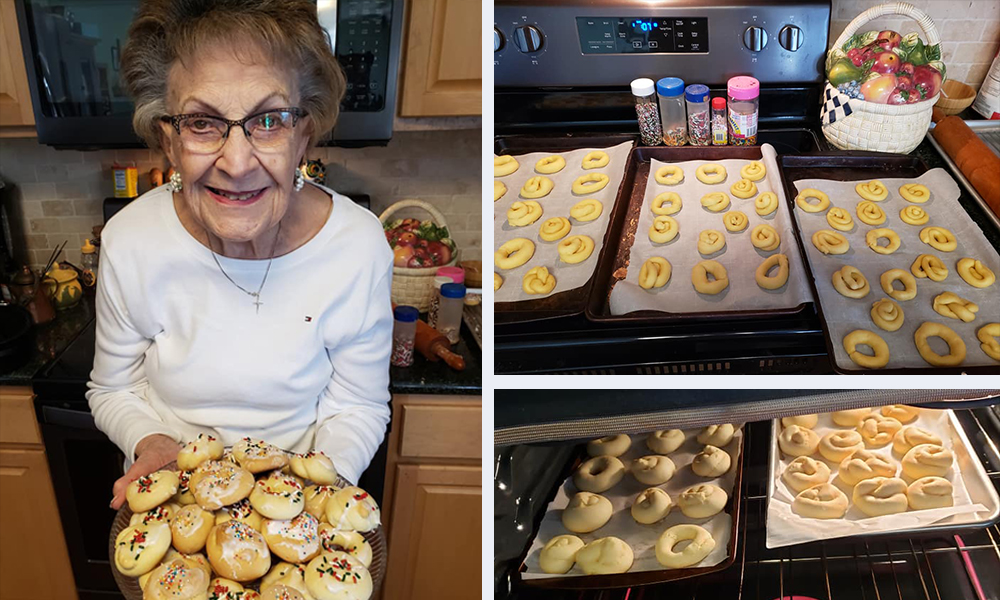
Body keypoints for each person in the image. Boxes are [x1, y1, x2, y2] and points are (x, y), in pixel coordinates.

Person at [88, 0, 393, 510]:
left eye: (269, 120)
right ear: (169, 140)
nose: (236, 162)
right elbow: (112, 389)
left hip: (296, 513)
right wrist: (151, 442)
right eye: (202, 123)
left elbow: (358, 406)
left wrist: (317, 493)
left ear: (304, 137)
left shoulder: (358, 247)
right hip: (176, 515)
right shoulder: (130, 241)